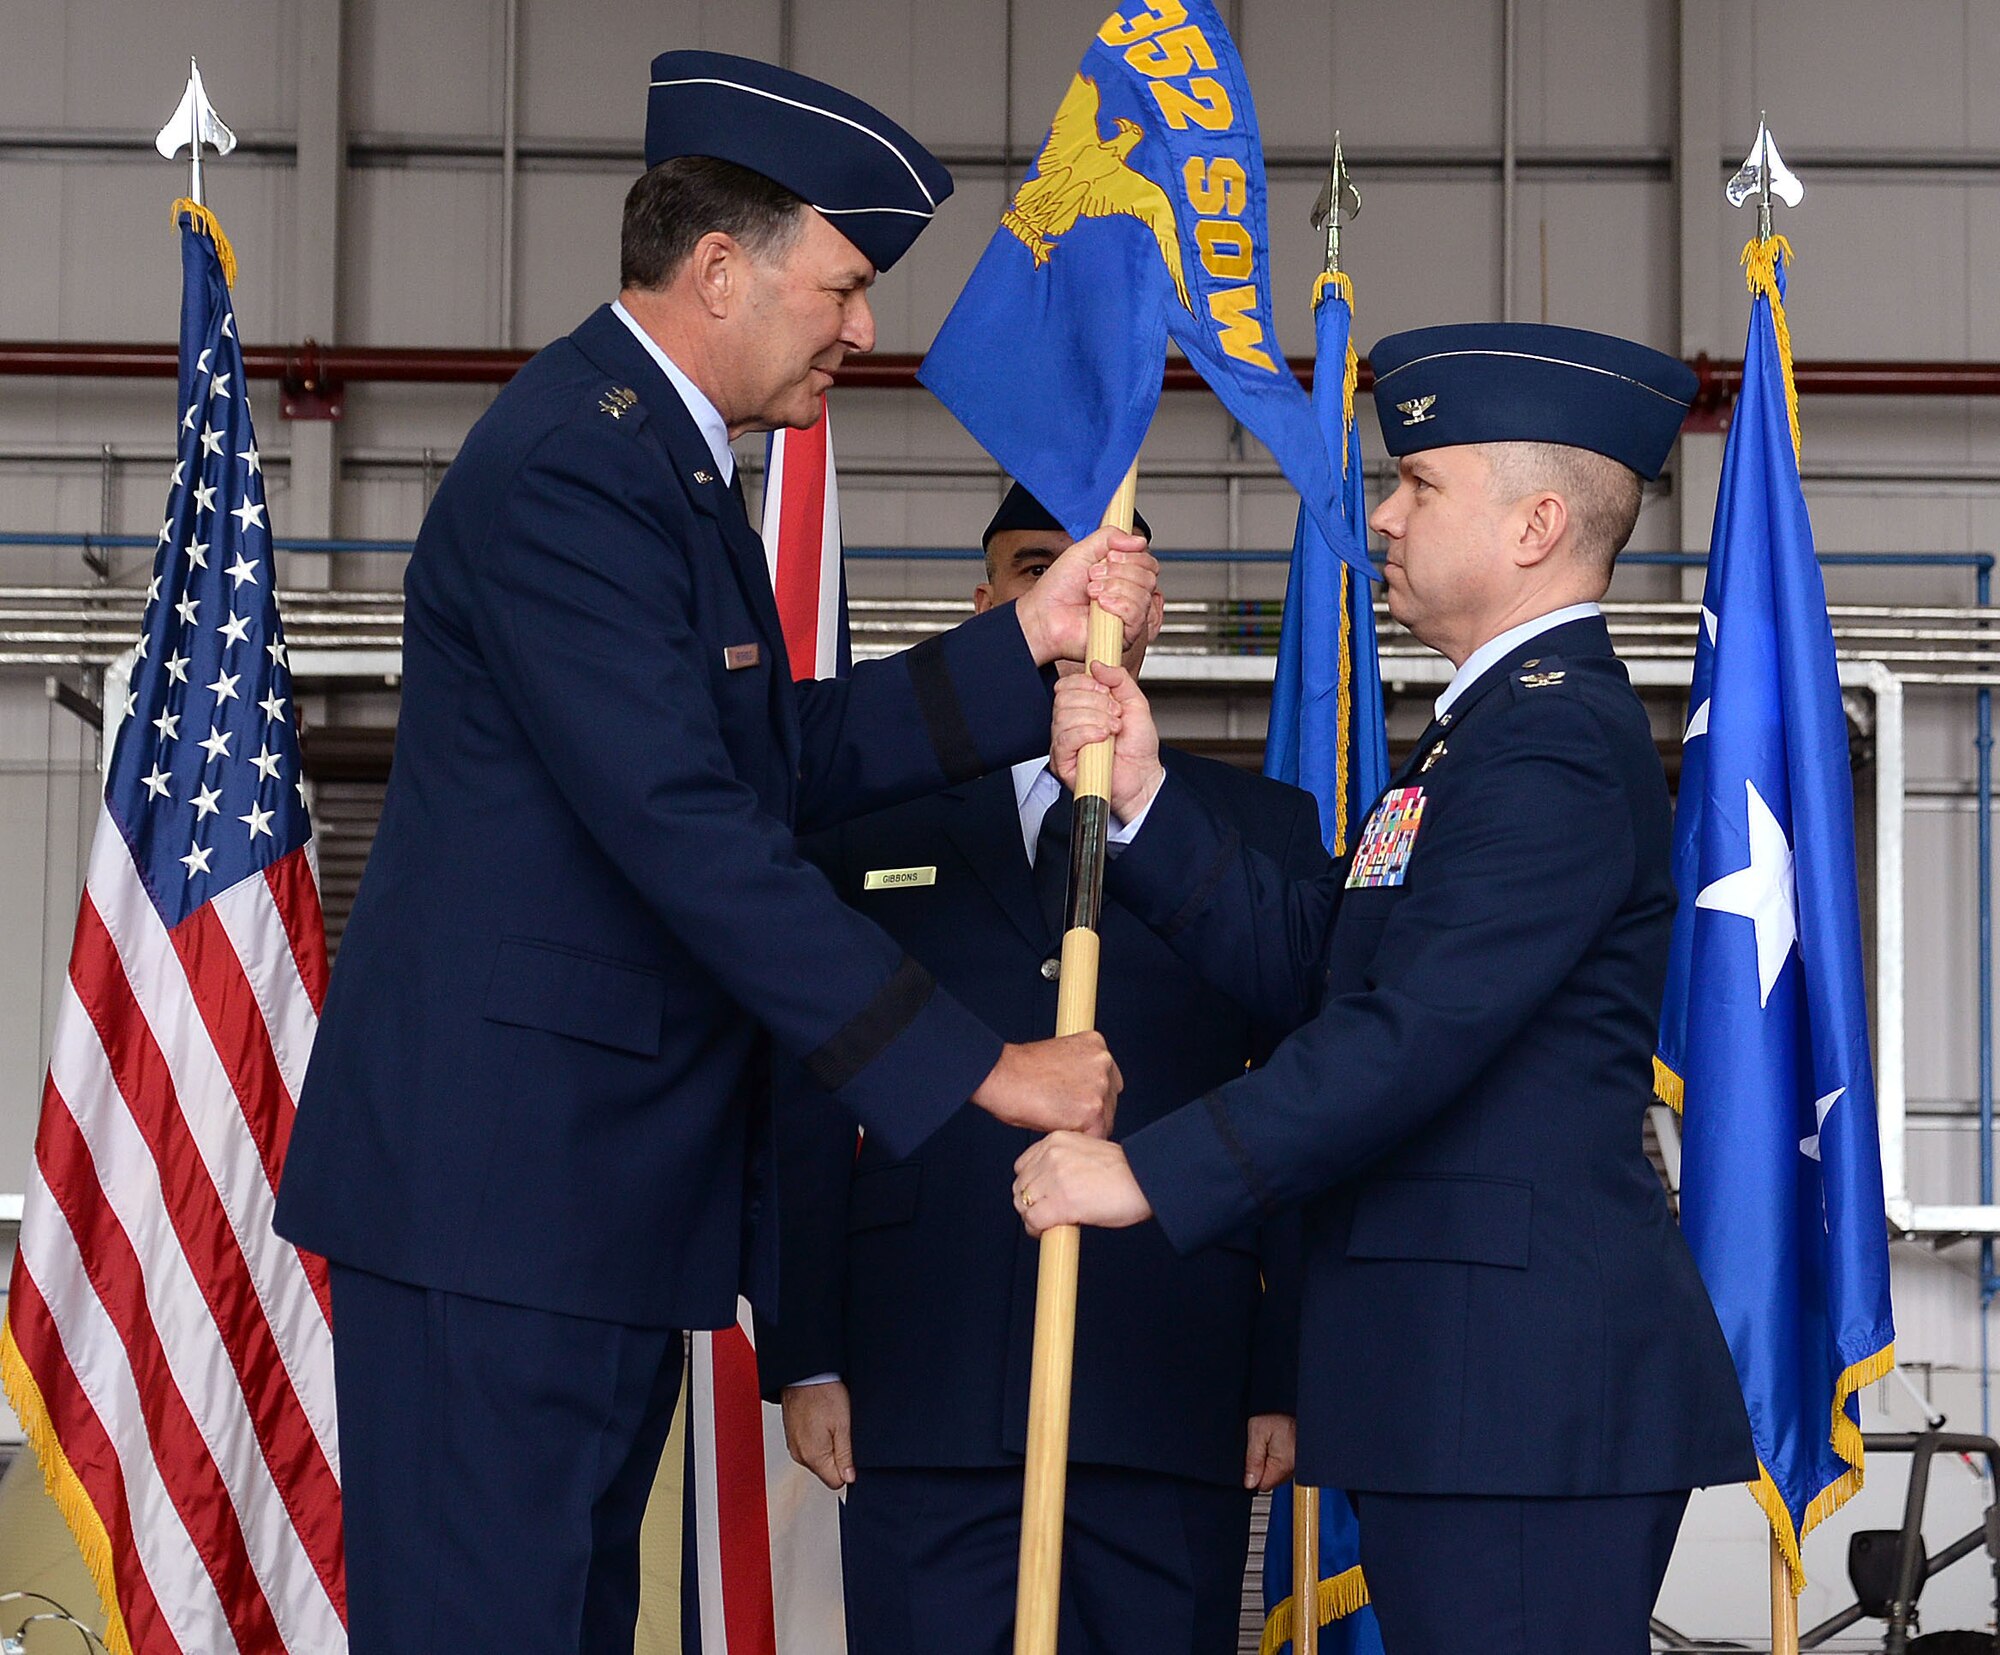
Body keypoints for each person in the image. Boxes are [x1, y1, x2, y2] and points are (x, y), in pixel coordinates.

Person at [272, 55, 1159, 1655]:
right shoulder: (576, 467)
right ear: (721, 270)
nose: (863, 329)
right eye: (845, 286)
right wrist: (985, 1066)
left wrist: (1023, 641)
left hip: (577, 1202)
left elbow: (772, 754)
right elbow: (691, 831)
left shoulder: (661, 465)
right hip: (506, 1202)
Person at [1013, 324, 1758, 1655]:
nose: (1383, 513)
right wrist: (1145, 795)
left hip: (1517, 1393)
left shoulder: (1551, 745)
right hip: (1465, 1382)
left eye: (1418, 482)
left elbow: (1410, 1034)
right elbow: (1330, 960)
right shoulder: (1491, 727)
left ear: (1534, 525)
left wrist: (1148, 1173)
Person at [759, 484, 1321, 1655]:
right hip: (924, 1381)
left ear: (1151, 610)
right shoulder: (873, 818)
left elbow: (1297, 1095)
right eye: (1037, 566)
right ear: (988, 604)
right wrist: (807, 1351)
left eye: (1115, 571)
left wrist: (1278, 1371)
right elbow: (808, 1093)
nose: (1082, 595)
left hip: (1167, 1379)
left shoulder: (1258, 827)